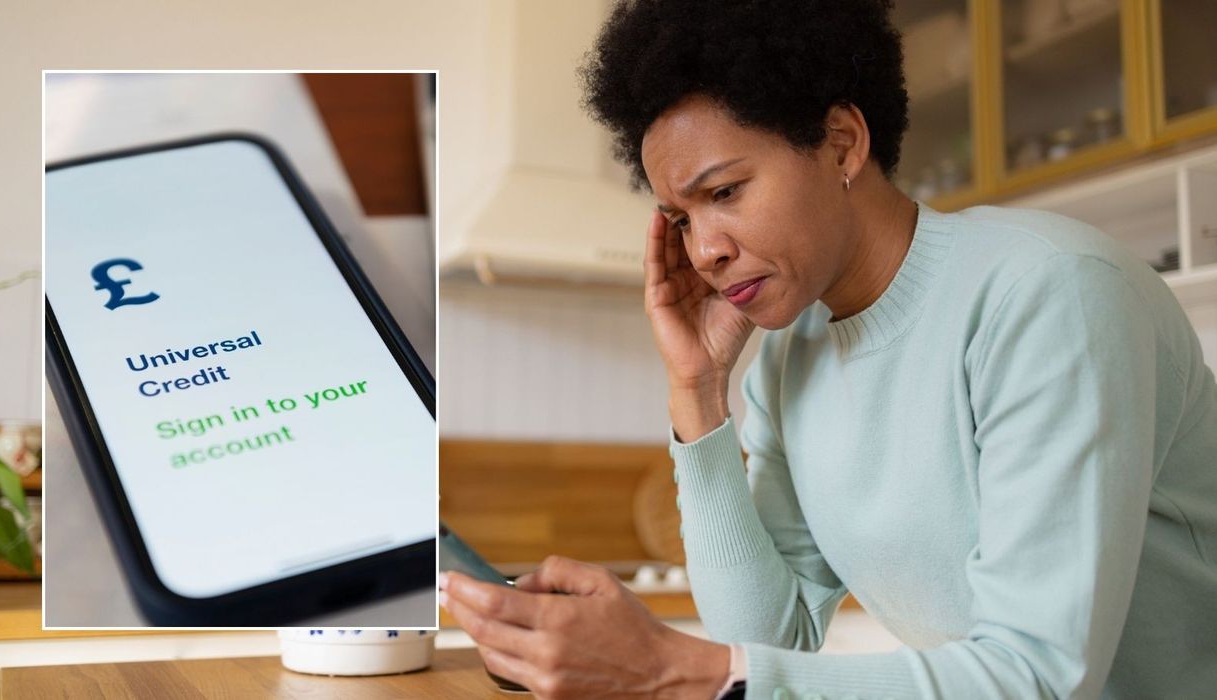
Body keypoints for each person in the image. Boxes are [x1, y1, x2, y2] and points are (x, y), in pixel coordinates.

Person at [440, 1, 1217, 697]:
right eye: (680, 218)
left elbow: (1037, 676)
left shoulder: (1047, 293)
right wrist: (697, 392)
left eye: (724, 192)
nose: (704, 249)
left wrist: (678, 670)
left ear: (842, 144)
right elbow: (770, 639)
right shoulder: (788, 359)